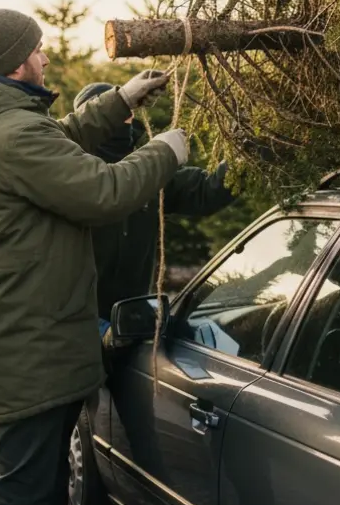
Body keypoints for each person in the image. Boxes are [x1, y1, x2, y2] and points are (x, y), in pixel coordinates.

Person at [0, 8, 188, 505]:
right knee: (29, 500)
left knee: (1, 476)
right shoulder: (11, 134)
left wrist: (118, 101)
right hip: (30, 348)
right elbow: (104, 191)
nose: (45, 57)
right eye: (37, 50)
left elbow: (58, 140)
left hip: (5, 339)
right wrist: (166, 151)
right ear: (14, 64)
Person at [72, 82, 239, 331]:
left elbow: (207, 191)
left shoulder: (147, 172)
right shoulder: (70, 174)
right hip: (78, 324)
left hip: (133, 320)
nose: (125, 118)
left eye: (128, 112)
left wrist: (245, 153)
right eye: (115, 111)